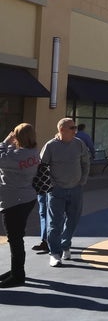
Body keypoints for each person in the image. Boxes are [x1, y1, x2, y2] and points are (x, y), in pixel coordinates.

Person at [40, 117, 90, 267]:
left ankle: (65, 244)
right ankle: (55, 253)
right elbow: (42, 167)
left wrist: (82, 180)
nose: (75, 130)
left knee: (73, 219)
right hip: (56, 190)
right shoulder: (51, 146)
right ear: (61, 130)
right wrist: (51, 184)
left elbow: (85, 162)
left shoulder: (79, 144)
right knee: (55, 223)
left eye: (75, 127)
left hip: (75, 188)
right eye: (72, 128)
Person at [0, 123, 39, 288]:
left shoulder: (15, 155)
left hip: (14, 201)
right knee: (17, 238)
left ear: (18, 137)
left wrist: (6, 141)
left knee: (15, 239)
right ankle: (15, 270)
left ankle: (18, 275)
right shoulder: (33, 152)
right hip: (27, 198)